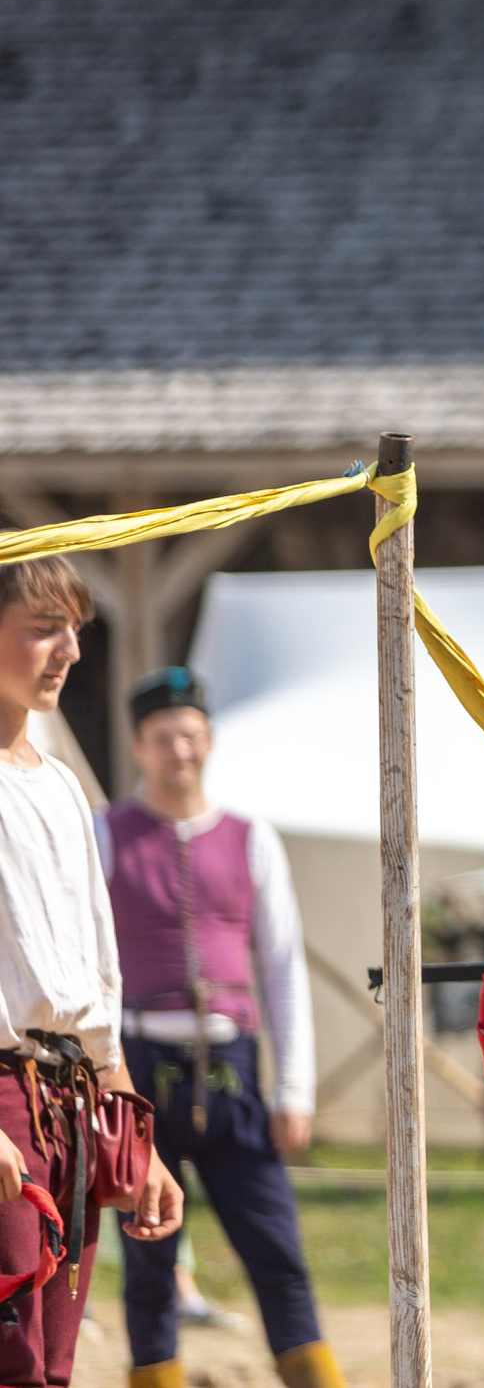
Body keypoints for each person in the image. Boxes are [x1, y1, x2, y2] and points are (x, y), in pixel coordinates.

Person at [97, 668, 340, 1388]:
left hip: (233, 1063)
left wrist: (294, 1087)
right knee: (148, 1259)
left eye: (193, 735)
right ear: (139, 745)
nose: (181, 750)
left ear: (209, 741)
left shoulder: (251, 836)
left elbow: (283, 964)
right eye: (165, 737)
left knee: (277, 1248)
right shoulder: (104, 833)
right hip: (137, 1062)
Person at [0, 553, 186, 1388]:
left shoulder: (67, 788)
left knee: (53, 1364)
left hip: (73, 1100)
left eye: (75, 627)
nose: (69, 648)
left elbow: (96, 979)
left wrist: (136, 1140)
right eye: (43, 626)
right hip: (3, 1095)